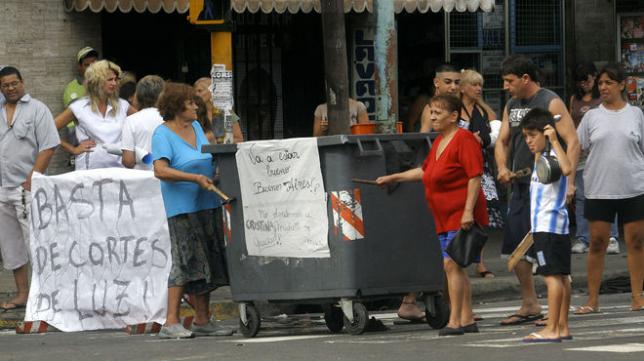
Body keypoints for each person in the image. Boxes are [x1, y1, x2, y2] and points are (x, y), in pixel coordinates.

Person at [377, 94, 488, 336]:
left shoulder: (464, 139)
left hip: (461, 214)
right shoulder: (440, 141)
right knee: (454, 267)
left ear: (454, 116)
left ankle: (456, 321)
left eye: (438, 113)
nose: (432, 117)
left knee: (451, 265)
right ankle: (467, 318)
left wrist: (468, 212)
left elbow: (475, 176)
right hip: (443, 216)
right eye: (431, 112)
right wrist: (394, 177)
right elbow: (425, 171)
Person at [495, 55, 580, 326]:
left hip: (549, 185)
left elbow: (573, 141)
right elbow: (503, 141)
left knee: (551, 247)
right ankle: (530, 303)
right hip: (521, 187)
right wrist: (501, 167)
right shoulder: (511, 105)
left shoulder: (549, 101)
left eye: (510, 81)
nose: (506, 86)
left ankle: (558, 314)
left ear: (525, 79)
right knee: (516, 249)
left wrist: (570, 182)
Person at [151, 82, 233, 339]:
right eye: (190, 102)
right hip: (182, 208)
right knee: (184, 261)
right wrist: (194, 178)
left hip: (207, 204)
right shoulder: (162, 134)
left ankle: (202, 319)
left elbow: (205, 159)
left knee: (206, 260)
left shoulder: (197, 127)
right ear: (177, 106)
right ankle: (171, 321)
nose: (196, 106)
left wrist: (215, 174)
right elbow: (160, 170)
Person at [574, 63, 644, 315]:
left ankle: (637, 296)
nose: (603, 87)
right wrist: (570, 180)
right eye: (600, 83)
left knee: (635, 242)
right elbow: (576, 146)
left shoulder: (636, 114)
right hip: (599, 189)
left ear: (622, 85)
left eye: (608, 83)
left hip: (633, 187)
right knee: (597, 243)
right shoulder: (591, 116)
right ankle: (592, 300)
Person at [0, 66, 60, 311]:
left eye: (14, 83)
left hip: (26, 188)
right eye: (6, 85)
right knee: (10, 245)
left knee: (35, 241)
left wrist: (33, 178)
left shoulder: (38, 109)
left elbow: (49, 145)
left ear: (22, 82)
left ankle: (45, 294)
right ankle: (22, 293)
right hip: (2, 187)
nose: (11, 88)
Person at [519, 108, 573, 342]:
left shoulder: (552, 156)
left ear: (546, 133)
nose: (529, 141)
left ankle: (552, 328)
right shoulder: (541, 158)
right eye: (525, 136)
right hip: (553, 227)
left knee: (552, 277)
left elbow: (569, 168)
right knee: (561, 278)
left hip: (548, 228)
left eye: (532, 135)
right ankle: (561, 327)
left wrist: (553, 137)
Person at [569, 62, 620, 255]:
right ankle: (583, 237)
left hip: (601, 153)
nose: (585, 85)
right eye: (581, 82)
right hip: (581, 154)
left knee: (607, 195)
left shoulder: (602, 100)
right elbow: (570, 122)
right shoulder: (575, 99)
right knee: (582, 197)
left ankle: (612, 236)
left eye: (588, 80)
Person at [459, 69, 502, 278]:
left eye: (480, 85)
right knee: (460, 213)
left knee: (483, 215)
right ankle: (458, 258)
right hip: (458, 167)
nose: (478, 88)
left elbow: (496, 139)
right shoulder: (453, 110)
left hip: (480, 167)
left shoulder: (485, 112)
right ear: (463, 87)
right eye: (474, 84)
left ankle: (481, 262)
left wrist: (481, 140)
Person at [55, 60, 136, 169]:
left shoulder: (123, 105)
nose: (114, 83)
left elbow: (143, 121)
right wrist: (73, 149)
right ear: (96, 81)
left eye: (116, 79)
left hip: (119, 170)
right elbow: (49, 129)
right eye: (110, 80)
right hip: (89, 172)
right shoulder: (79, 107)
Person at [121, 75, 165, 170]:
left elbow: (128, 161)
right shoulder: (172, 118)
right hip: (168, 177)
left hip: (141, 180)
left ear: (138, 95)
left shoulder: (131, 120)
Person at [194, 77, 243, 144]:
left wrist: (220, 142)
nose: (196, 94)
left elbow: (239, 139)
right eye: (195, 92)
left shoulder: (228, 112)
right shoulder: (193, 112)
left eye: (200, 91)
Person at [419, 64, 461, 133]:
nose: (453, 87)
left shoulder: (456, 104)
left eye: (457, 82)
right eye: (448, 82)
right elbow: (424, 139)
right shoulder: (430, 109)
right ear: (436, 82)